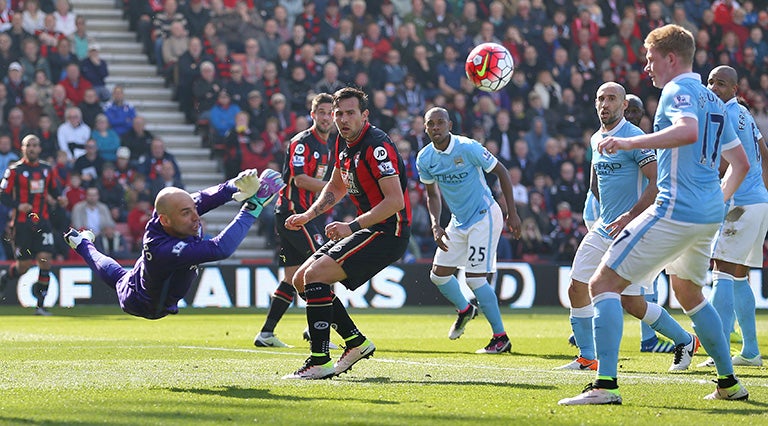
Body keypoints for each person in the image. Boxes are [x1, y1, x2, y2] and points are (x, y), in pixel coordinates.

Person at [559, 25, 751, 406]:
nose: (646, 66)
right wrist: (714, 199)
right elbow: (740, 164)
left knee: (602, 285)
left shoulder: (676, 91)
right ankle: (729, 383)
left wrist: (630, 141)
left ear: (670, 58)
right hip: (708, 213)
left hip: (675, 209)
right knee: (689, 292)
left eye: (649, 58)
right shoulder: (714, 100)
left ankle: (605, 386)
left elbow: (686, 131)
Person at [558, 82, 698, 373]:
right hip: (604, 227)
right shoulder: (596, 138)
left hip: (632, 230)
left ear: (623, 106)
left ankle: (685, 340)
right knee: (576, 286)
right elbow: (598, 181)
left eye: (611, 99)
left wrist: (629, 215)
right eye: (600, 99)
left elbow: (656, 182)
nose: (604, 104)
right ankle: (588, 356)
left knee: (633, 302)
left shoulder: (635, 138)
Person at [282, 87, 411, 379]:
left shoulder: (376, 145)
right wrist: (308, 215)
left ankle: (319, 361)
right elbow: (337, 186)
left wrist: (351, 226)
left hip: (389, 231)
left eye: (350, 113)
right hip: (370, 228)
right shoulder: (343, 141)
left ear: (364, 115)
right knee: (302, 279)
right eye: (339, 113)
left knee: (315, 276)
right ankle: (355, 342)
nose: (343, 119)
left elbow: (395, 202)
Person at [63, 168, 285, 320]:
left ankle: (82, 242)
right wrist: (252, 207)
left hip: (145, 274)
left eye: (193, 211)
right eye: (186, 214)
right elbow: (221, 248)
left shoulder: (174, 212)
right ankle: (84, 245)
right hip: (141, 303)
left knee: (119, 275)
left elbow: (205, 198)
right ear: (166, 220)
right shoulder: (165, 250)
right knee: (117, 277)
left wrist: (233, 186)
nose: (195, 217)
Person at [415, 107, 521, 354]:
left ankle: (500, 338)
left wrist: (512, 213)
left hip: (485, 215)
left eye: (440, 122)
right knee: (438, 275)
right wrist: (435, 224)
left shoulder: (469, 147)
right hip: (458, 220)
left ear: (449, 124)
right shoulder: (424, 158)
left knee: (474, 278)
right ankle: (465, 310)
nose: (436, 127)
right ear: (425, 127)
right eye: (431, 124)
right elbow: (432, 195)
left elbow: (502, 172)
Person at [698, 65, 768, 368]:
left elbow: (722, 164)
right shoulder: (744, 114)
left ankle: (721, 352)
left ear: (734, 89)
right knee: (739, 277)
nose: (714, 88)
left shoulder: (724, 115)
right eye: (711, 82)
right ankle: (751, 351)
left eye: (721, 83)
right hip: (758, 203)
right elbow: (764, 153)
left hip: (741, 206)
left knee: (721, 273)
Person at [253, 93, 336, 348]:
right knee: (326, 267)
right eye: (321, 112)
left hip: (304, 215)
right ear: (312, 115)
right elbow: (299, 180)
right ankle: (321, 330)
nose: (325, 117)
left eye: (329, 112)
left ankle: (266, 333)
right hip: (294, 214)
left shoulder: (327, 144)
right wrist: (333, 188)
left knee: (291, 277)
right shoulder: (302, 143)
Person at [0, 135, 65, 315]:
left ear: (40, 149)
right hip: (21, 225)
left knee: (45, 261)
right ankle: (5, 277)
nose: (32, 148)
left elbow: (55, 189)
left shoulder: (47, 169)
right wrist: (18, 205)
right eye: (29, 145)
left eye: (35, 145)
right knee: (24, 266)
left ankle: (41, 306)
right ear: (22, 148)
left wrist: (60, 198)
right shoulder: (14, 170)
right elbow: (2, 194)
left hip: (42, 223)